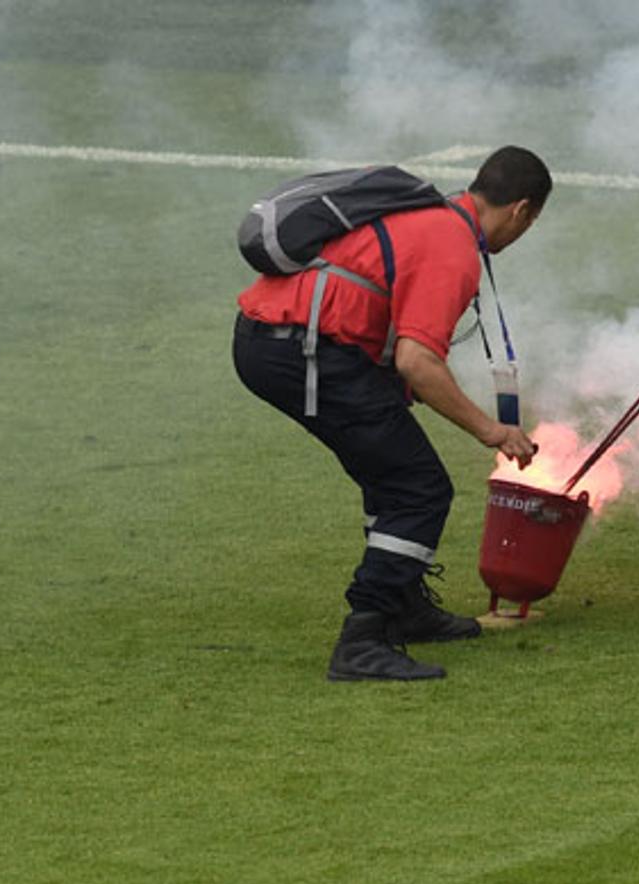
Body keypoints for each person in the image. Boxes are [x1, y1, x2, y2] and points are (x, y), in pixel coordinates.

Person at [235, 146, 549, 681]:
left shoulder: (433, 216)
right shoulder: (453, 247)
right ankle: (365, 635)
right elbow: (417, 362)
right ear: (521, 210)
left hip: (283, 341)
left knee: (391, 470)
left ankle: (403, 607)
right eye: (529, 223)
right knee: (417, 486)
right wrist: (491, 430)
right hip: (299, 351)